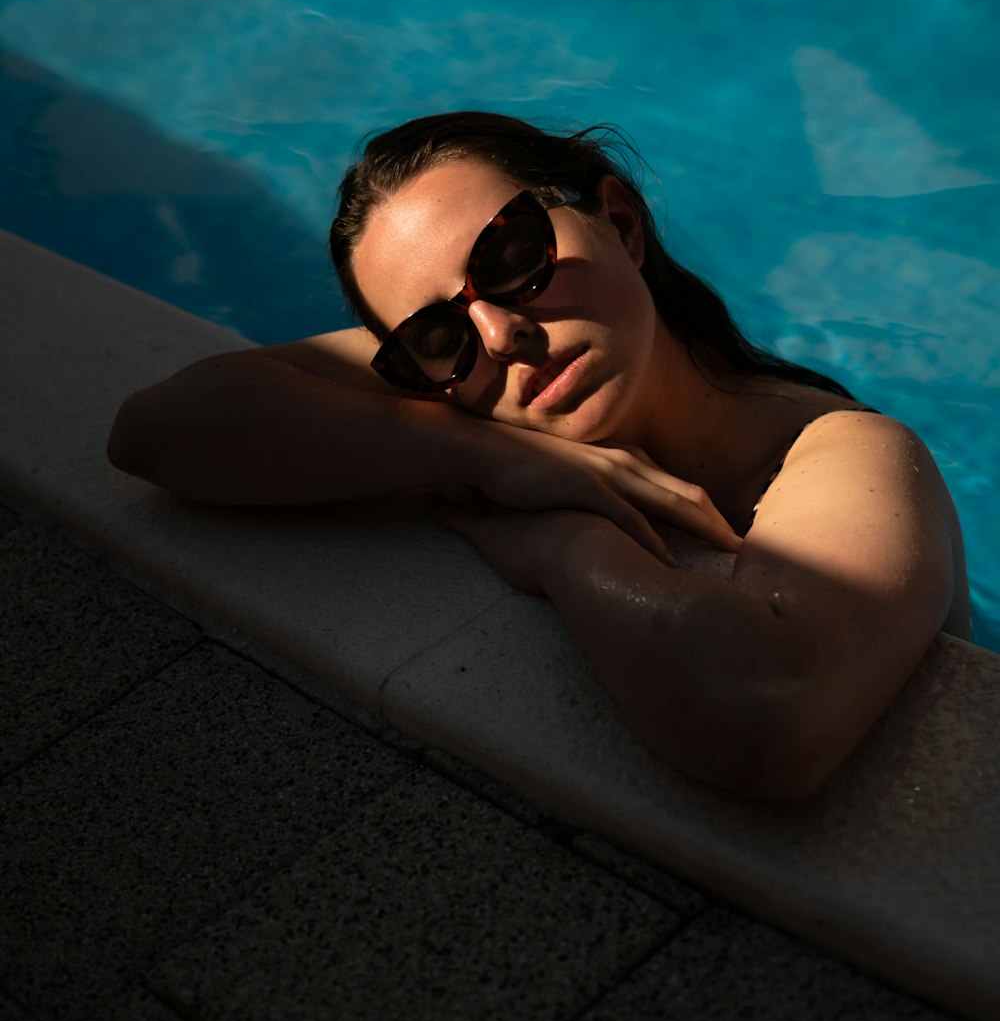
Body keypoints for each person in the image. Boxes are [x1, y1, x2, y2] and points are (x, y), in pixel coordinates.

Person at [107, 111, 971, 802]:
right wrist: (481, 451)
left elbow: (766, 713)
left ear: (622, 224)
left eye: (513, 257)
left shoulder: (848, 450)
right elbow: (155, 429)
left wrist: (564, 546)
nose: (501, 333)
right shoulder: (469, 391)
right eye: (437, 337)